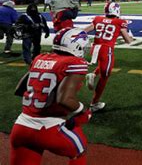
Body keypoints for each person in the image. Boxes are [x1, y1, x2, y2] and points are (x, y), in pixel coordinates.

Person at [9, 27, 91, 165]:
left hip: (21, 127)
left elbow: (19, 89)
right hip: (48, 128)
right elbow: (65, 100)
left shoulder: (40, 58)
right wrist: (84, 111)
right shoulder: (74, 63)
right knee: (79, 151)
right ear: (76, 45)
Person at [83, 2, 133, 112]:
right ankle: (94, 103)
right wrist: (131, 37)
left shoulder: (98, 19)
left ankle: (93, 74)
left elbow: (85, 30)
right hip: (106, 50)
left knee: (102, 68)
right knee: (105, 77)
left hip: (95, 48)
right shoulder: (120, 22)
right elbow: (128, 40)